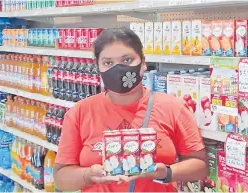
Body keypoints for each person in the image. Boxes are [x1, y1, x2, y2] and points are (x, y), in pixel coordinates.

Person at [53, 27, 208, 192]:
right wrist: (88, 176)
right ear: (98, 67)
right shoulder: (80, 112)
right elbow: (61, 179)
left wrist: (166, 172)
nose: (118, 69)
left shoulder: (173, 108)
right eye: (108, 63)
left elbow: (200, 166)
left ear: (143, 63)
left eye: (127, 60)